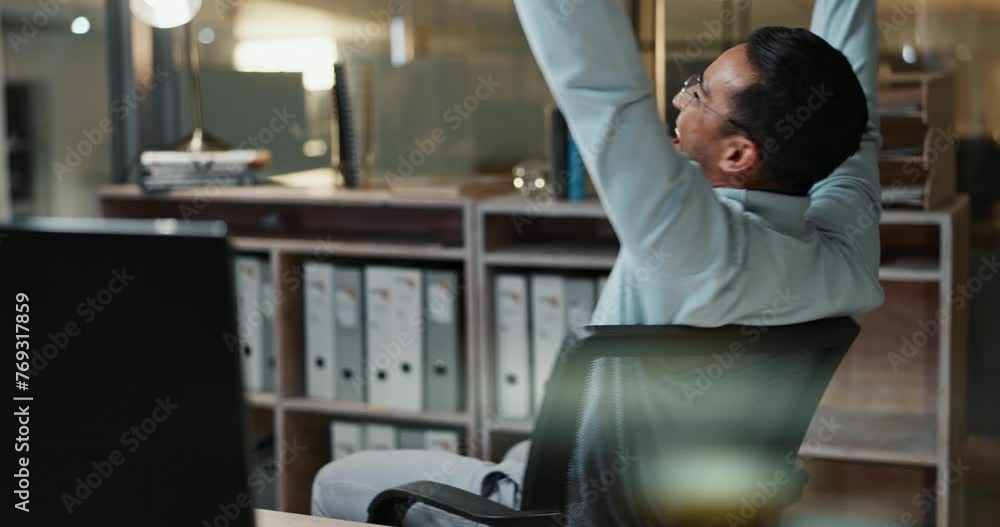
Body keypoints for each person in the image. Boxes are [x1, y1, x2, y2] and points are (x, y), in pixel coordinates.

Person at [311, 0, 883, 524]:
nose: (680, 99)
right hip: (678, 504)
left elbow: (604, 94)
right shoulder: (845, 254)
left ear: (738, 153)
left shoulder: (698, 244)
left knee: (336, 481)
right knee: (524, 450)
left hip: (561, 510)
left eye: (697, 92)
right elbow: (860, 136)